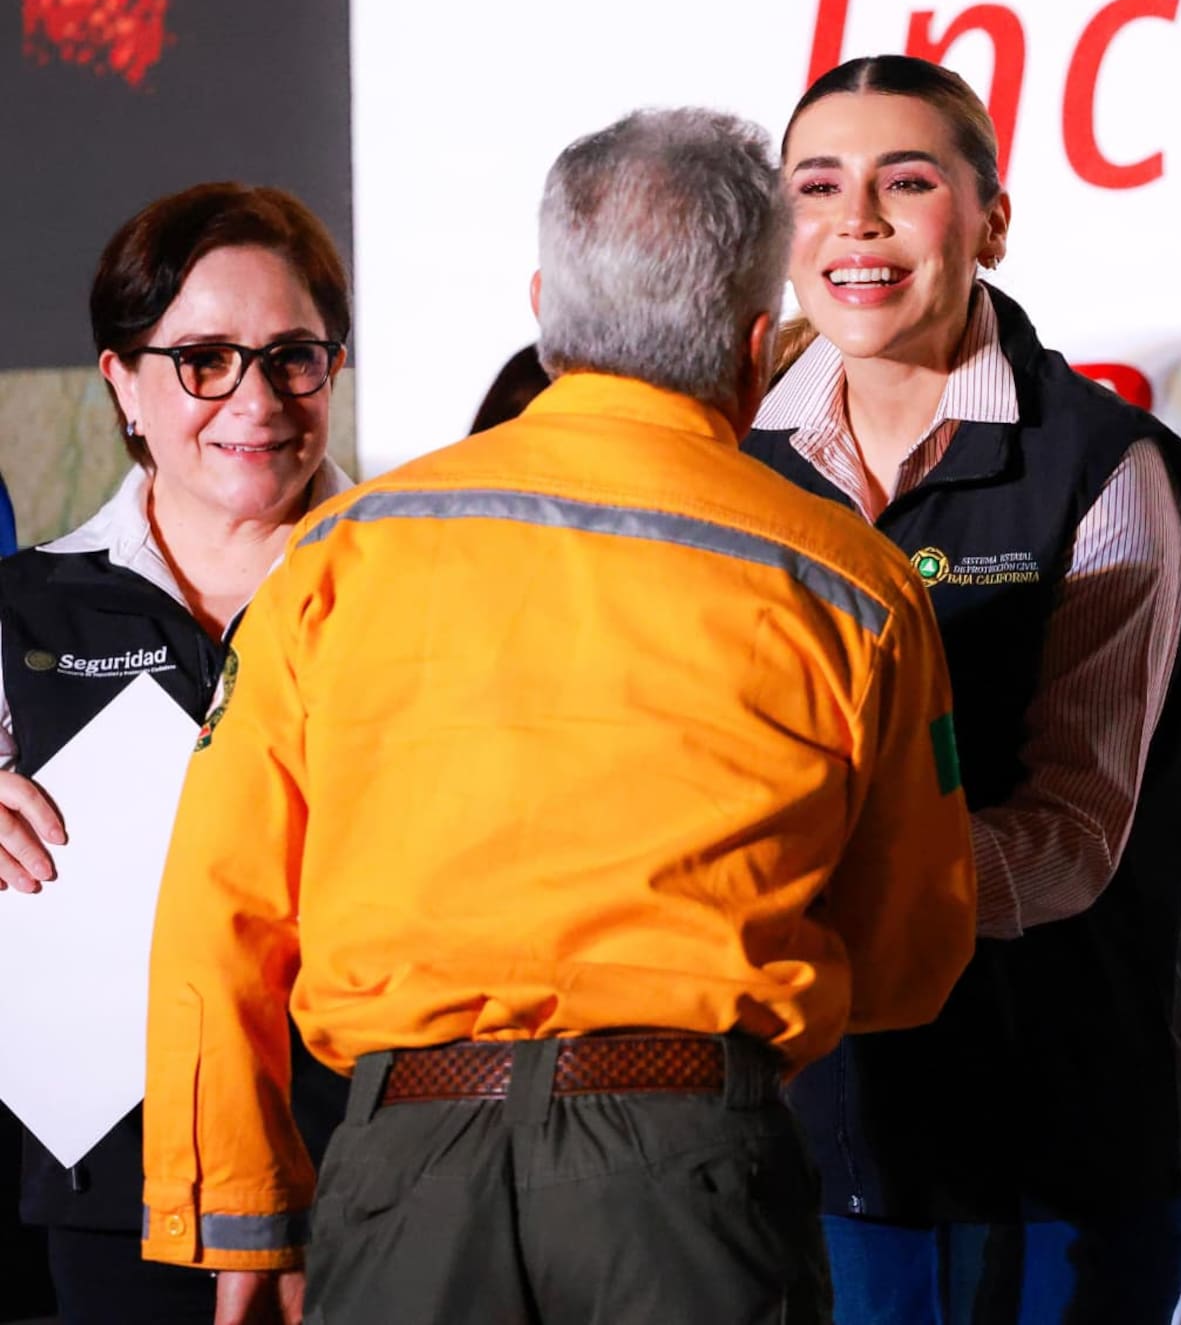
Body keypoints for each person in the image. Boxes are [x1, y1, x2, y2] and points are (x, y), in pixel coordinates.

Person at [141, 107, 976, 1325]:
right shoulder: (854, 583)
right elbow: (911, 953)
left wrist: (240, 1207)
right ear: (760, 346)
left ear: (544, 308)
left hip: (404, 1172)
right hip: (695, 1173)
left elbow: (220, 907)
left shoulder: (335, 556)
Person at [744, 54, 1181, 1325]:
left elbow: (1075, 833)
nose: (856, 222)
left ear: (993, 220)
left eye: (906, 182)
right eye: (817, 186)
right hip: (802, 1129)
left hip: (1052, 1141)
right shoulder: (734, 467)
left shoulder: (1106, 466)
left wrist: (807, 889)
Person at [0, 182, 354, 1325]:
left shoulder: (419, 587)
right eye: (204, 360)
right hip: (116, 1191)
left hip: (372, 1173)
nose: (256, 399)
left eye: (292, 357)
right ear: (122, 382)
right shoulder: (24, 609)